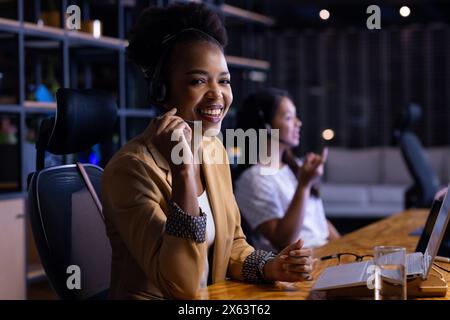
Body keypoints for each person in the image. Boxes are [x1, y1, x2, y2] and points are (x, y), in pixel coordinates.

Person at [102, 3, 314, 300]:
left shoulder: (213, 150)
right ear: (162, 92)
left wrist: (270, 266)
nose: (218, 94)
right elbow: (182, 286)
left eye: (224, 80)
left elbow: (233, 244)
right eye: (198, 81)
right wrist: (183, 170)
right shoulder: (130, 169)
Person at [234, 88, 340, 253]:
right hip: (298, 265)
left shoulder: (295, 166)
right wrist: (304, 184)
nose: (298, 122)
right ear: (266, 126)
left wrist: (345, 249)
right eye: (289, 117)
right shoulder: (253, 178)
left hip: (325, 254)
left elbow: (318, 222)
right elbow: (283, 242)